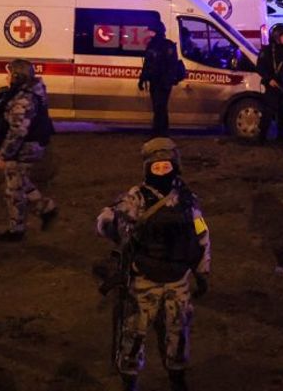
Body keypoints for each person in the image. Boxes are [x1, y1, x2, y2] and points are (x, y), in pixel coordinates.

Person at [95, 138, 211, 391]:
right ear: (148, 169)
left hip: (177, 278)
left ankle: (177, 374)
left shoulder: (187, 199)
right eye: (156, 168)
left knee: (179, 330)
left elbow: (201, 233)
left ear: (175, 167)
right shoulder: (137, 197)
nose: (161, 172)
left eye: (165, 167)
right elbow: (105, 220)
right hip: (144, 278)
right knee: (134, 332)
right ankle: (130, 377)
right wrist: (120, 229)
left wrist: (202, 270)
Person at [0, 59, 58, 242]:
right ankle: (46, 209)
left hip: (25, 148)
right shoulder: (31, 91)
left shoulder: (23, 99)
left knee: (13, 190)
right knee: (21, 181)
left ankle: (16, 229)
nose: (6, 77)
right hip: (33, 144)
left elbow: (17, 131)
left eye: (9, 74)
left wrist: (4, 155)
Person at [138, 18, 186, 136]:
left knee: (160, 107)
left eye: (151, 31)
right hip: (156, 82)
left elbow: (172, 66)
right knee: (158, 107)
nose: (149, 33)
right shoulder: (153, 45)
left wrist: (166, 82)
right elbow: (147, 64)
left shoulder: (167, 45)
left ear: (157, 31)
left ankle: (161, 132)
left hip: (163, 82)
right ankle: (159, 131)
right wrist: (142, 79)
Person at [256, 23, 283, 142]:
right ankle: (262, 137)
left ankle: (281, 136)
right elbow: (260, 67)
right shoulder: (268, 51)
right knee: (268, 112)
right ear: (276, 37)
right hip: (273, 86)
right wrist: (269, 79)